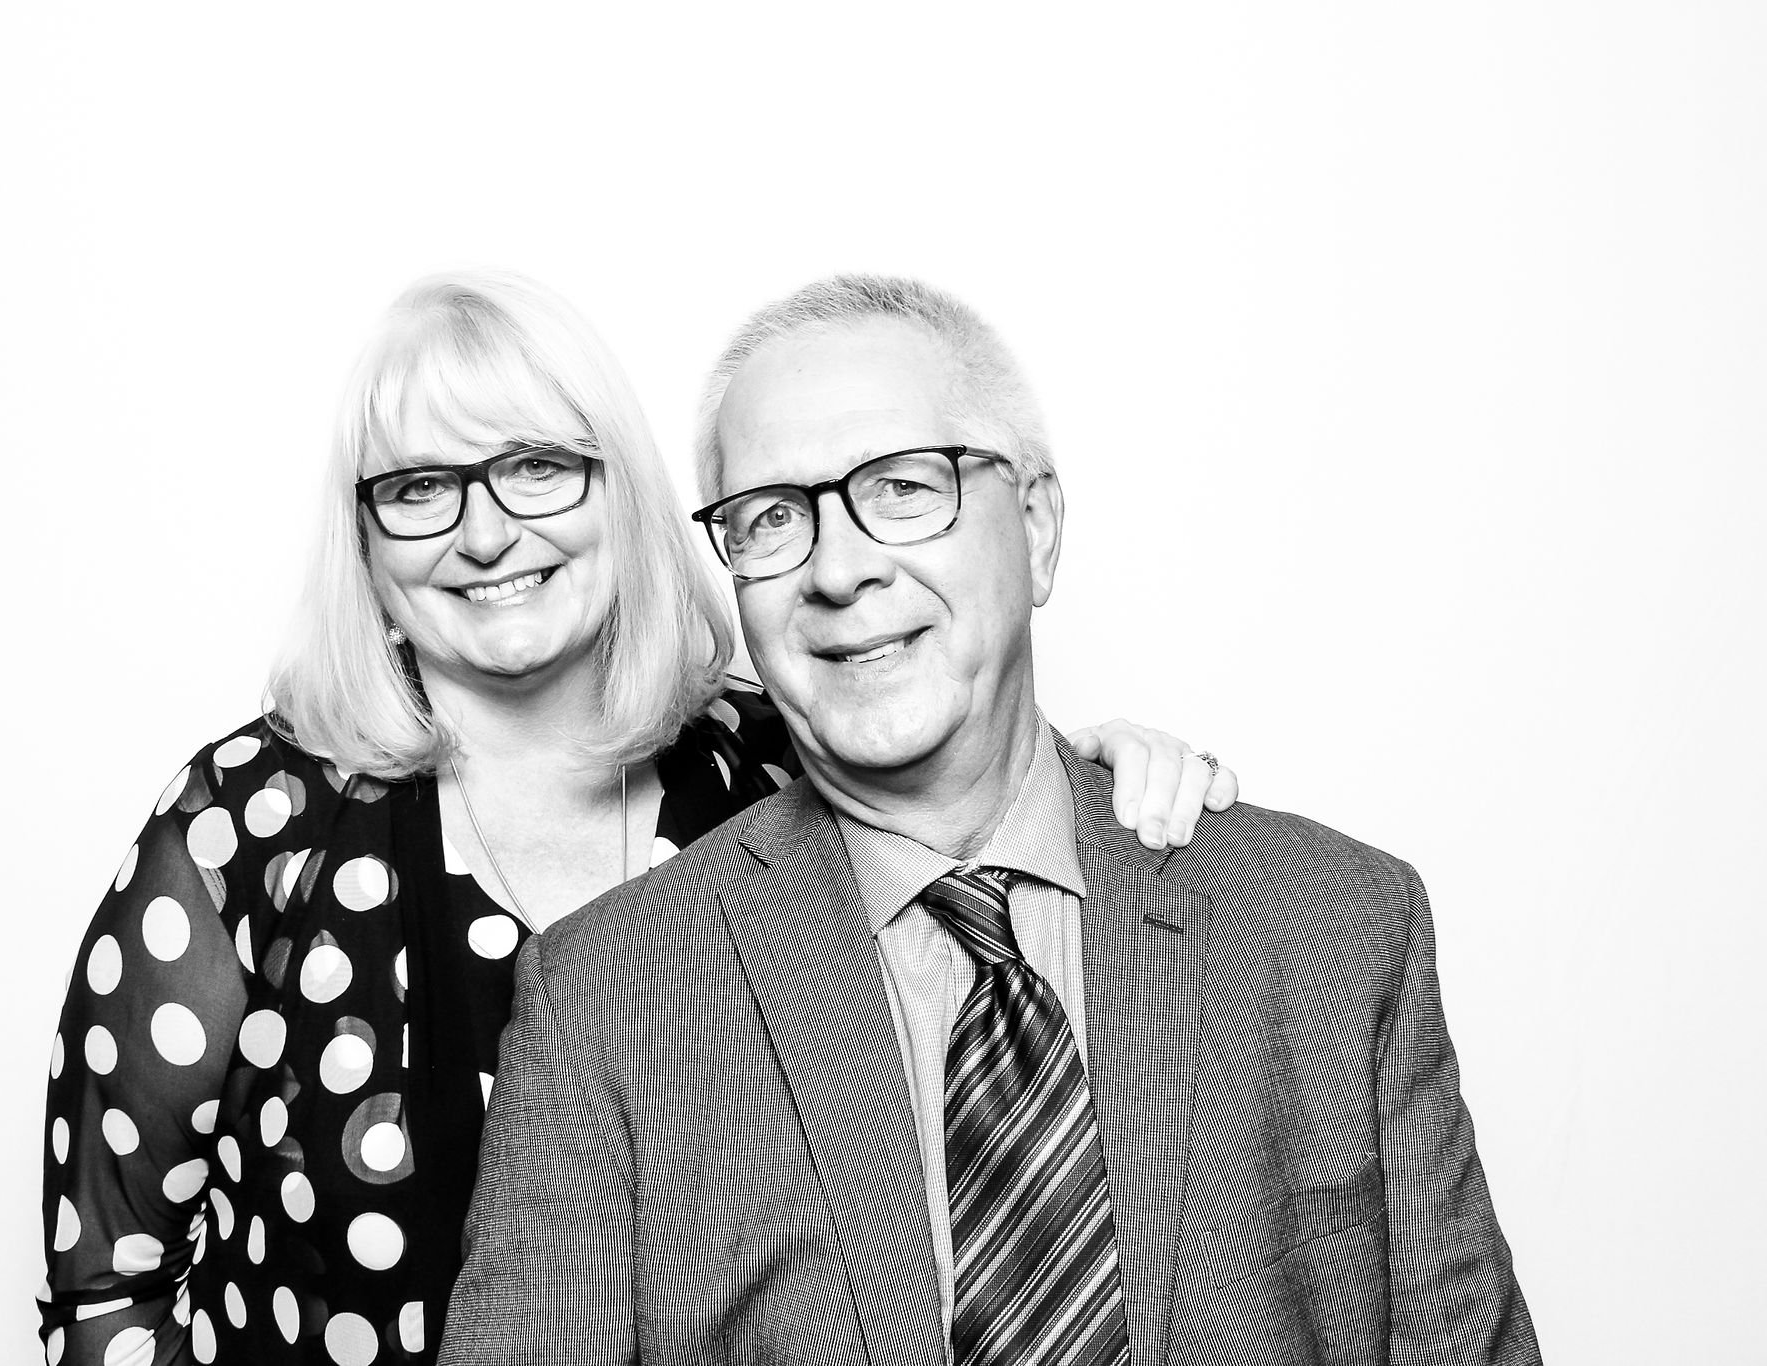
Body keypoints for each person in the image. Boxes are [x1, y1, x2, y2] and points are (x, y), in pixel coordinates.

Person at [38, 269, 1239, 1366]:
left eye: (536, 467)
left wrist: (1107, 772)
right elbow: (104, 1284)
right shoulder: (249, 826)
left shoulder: (771, 761)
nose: (485, 531)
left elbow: (971, 808)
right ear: (364, 541)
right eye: (419, 489)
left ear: (620, 487)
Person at [443, 275, 1540, 1366]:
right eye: (770, 518)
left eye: (904, 487)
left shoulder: (1338, 923)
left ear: (1037, 527)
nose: (838, 567)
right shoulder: (604, 997)